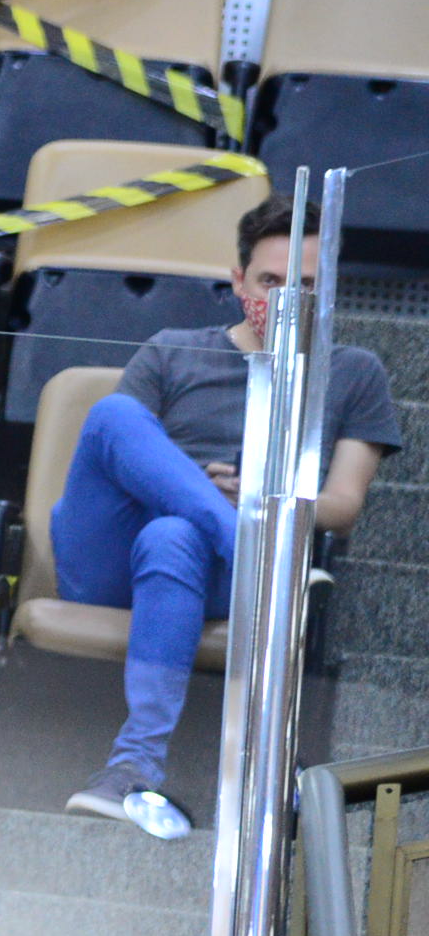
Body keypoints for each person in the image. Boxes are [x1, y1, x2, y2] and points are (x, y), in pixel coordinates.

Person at [58, 198, 401, 838]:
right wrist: (214, 503)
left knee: (174, 536)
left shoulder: (354, 372)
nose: (285, 300)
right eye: (270, 282)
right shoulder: (171, 350)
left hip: (206, 572)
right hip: (115, 557)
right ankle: (242, 546)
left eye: (305, 287)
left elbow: (343, 507)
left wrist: (258, 500)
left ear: (328, 292)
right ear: (239, 281)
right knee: (113, 417)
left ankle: (132, 768)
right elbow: (119, 457)